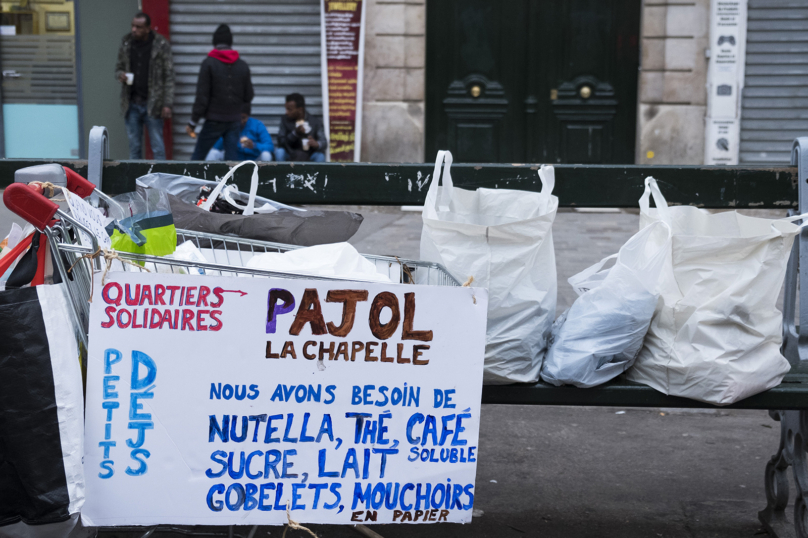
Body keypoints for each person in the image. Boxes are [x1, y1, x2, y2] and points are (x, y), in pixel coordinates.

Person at [187, 24, 254, 161]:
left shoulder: (208, 63)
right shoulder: (242, 65)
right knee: (231, 161)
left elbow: (202, 97)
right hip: (234, 120)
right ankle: (233, 182)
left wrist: (193, 122)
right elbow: (249, 95)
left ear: (214, 42)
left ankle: (191, 182)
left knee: (198, 157)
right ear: (230, 42)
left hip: (214, 119)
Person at [115, 12, 174, 160]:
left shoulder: (160, 44)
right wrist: (121, 75)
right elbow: (118, 67)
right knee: (134, 148)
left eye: (139, 27)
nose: (134, 29)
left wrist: (167, 104)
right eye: (133, 26)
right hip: (132, 103)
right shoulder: (126, 42)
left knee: (158, 147)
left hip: (153, 104)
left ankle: (161, 181)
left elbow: (169, 75)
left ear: (148, 28)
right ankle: (135, 181)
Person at [205, 104, 274, 161]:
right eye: (238, 117)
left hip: (254, 160)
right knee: (213, 153)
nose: (240, 121)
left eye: (243, 118)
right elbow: (216, 147)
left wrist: (254, 145)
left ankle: (263, 176)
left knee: (266, 155)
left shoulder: (257, 125)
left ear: (248, 116)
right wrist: (226, 134)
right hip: (233, 160)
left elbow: (270, 146)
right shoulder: (229, 124)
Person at [275, 93, 327, 162]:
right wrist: (294, 134)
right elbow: (281, 141)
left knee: (320, 156)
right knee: (279, 152)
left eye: (289, 109)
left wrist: (317, 144)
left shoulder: (315, 122)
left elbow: (324, 142)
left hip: (309, 155)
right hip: (290, 154)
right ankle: (280, 172)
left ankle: (316, 173)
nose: (286, 112)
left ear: (300, 109)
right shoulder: (285, 120)